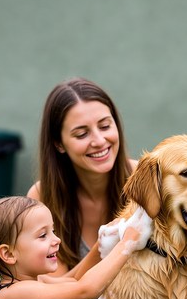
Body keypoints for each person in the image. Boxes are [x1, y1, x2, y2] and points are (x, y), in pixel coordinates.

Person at [27, 77, 137, 275]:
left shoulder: (143, 179)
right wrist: (104, 246)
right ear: (58, 143)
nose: (99, 141)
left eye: (105, 126)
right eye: (81, 134)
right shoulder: (42, 196)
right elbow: (54, 288)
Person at [0, 196, 151, 299]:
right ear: (9, 254)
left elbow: (75, 281)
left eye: (53, 231)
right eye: (43, 235)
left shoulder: (36, 281)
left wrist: (100, 245)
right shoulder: (15, 292)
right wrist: (127, 243)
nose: (56, 240)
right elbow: (85, 290)